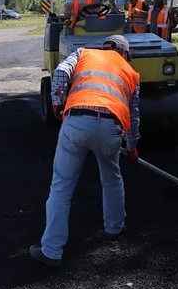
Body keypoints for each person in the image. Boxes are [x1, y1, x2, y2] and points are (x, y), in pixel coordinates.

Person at [30, 34, 141, 267]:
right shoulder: (131, 73)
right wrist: (132, 147)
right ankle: (114, 228)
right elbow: (133, 114)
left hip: (77, 121)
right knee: (112, 179)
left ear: (104, 48)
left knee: (61, 186)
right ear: (125, 54)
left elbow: (60, 72)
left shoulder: (84, 54)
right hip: (111, 126)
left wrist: (57, 103)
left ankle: (51, 250)